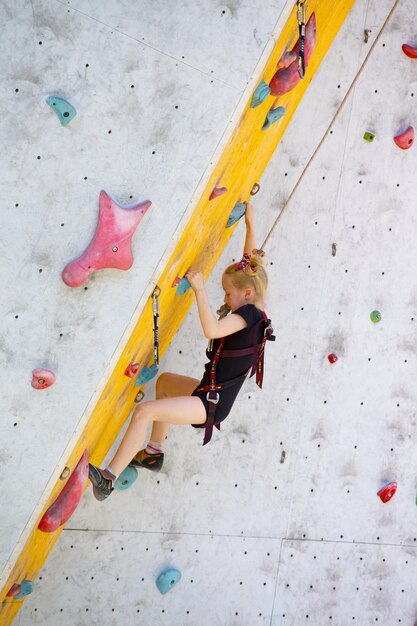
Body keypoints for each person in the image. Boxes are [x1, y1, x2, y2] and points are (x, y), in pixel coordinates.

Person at [88, 201, 274, 501]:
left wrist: (200, 290)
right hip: (209, 390)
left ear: (246, 294)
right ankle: (152, 453)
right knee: (164, 384)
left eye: (228, 293)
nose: (225, 297)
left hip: (211, 403)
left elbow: (212, 330)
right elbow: (250, 264)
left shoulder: (250, 315)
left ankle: (108, 478)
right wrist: (250, 224)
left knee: (144, 412)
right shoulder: (256, 305)